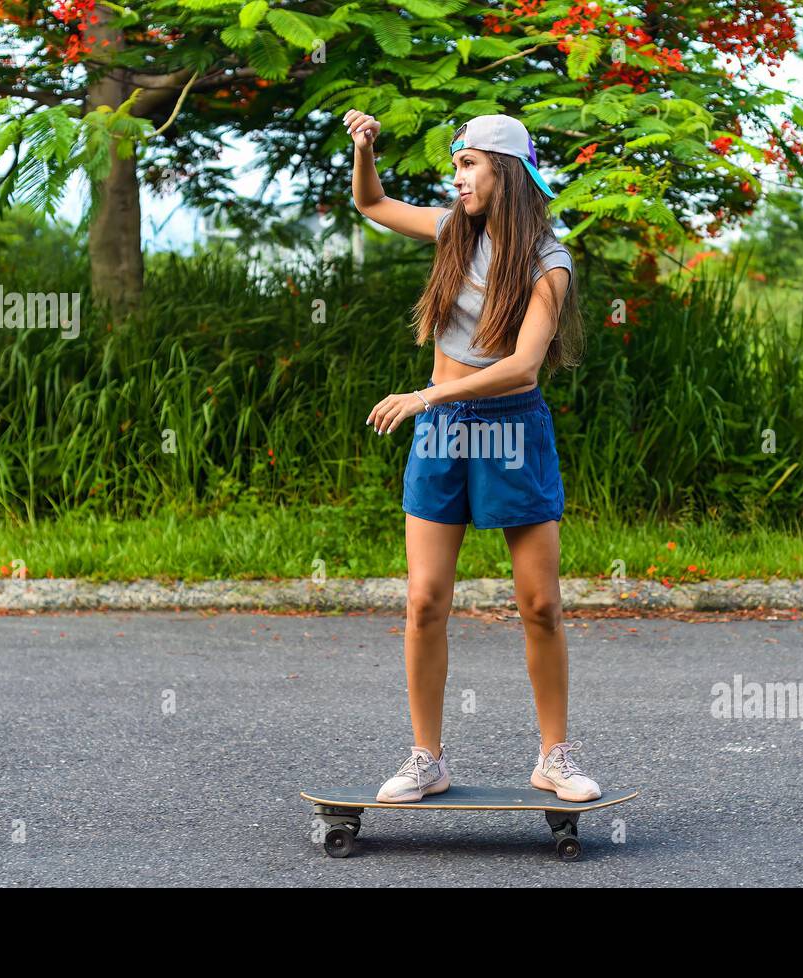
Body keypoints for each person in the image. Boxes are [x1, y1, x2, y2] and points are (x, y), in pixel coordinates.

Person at [344, 109, 601, 804]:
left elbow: (522, 367)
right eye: (456, 166)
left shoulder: (549, 261)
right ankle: (426, 756)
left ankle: (555, 756)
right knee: (425, 600)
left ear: (504, 173)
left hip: (511, 429)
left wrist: (425, 398)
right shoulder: (453, 229)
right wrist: (366, 148)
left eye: (469, 166)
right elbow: (371, 202)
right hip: (444, 433)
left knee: (540, 603)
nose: (457, 178)